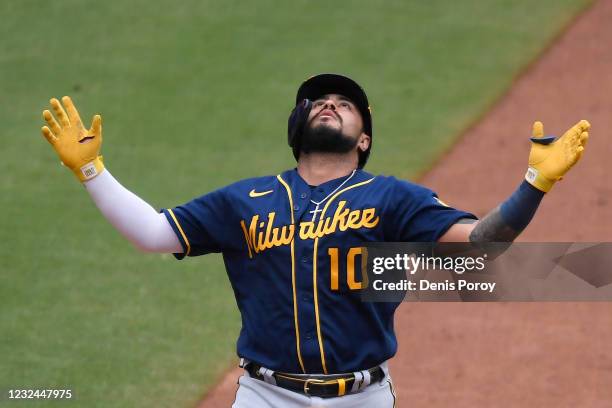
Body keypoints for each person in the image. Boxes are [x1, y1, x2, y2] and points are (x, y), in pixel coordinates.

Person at [40, 74, 589, 407]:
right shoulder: (245, 199)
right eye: (319, 101)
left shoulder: (392, 197)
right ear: (297, 126)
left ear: (364, 137)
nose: (331, 104)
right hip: (264, 397)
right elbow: (155, 234)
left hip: (363, 397)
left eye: (345, 104)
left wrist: (534, 184)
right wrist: (92, 171)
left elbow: (482, 245)